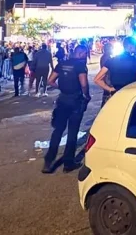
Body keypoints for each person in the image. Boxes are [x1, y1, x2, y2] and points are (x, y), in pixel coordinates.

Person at [42, 45, 91, 174]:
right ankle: (68, 163)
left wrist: (62, 87)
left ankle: (48, 162)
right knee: (72, 132)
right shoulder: (80, 65)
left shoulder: (62, 63)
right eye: (85, 54)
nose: (85, 56)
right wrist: (86, 95)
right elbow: (84, 84)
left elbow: (50, 81)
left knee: (58, 131)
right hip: (75, 100)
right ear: (81, 53)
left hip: (62, 100)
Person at [94, 37, 136, 101]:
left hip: (116, 95)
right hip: (131, 95)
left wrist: (110, 89)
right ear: (130, 46)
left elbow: (97, 79)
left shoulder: (112, 60)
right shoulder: (135, 62)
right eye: (135, 45)